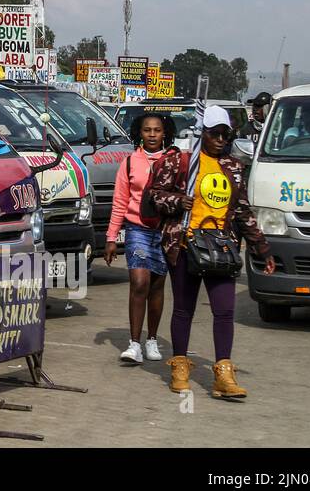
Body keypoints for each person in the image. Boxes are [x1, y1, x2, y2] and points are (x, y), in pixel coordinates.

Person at [147, 106, 275, 399]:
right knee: (184, 309)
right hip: (185, 245)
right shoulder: (180, 161)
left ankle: (224, 374)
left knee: (225, 310)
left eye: (225, 134)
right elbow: (154, 195)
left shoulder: (233, 167)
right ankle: (180, 368)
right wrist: (179, 201)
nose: (220, 139)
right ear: (202, 132)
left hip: (221, 246)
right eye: (215, 133)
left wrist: (261, 247)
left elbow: (242, 211)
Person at [105, 112, 173, 364]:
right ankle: (134, 344)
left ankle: (152, 340)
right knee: (139, 281)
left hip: (164, 232)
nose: (152, 135)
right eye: (147, 130)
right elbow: (120, 202)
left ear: (165, 133)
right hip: (137, 230)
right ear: (139, 133)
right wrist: (112, 237)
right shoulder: (130, 162)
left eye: (157, 130)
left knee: (156, 286)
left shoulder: (173, 160)